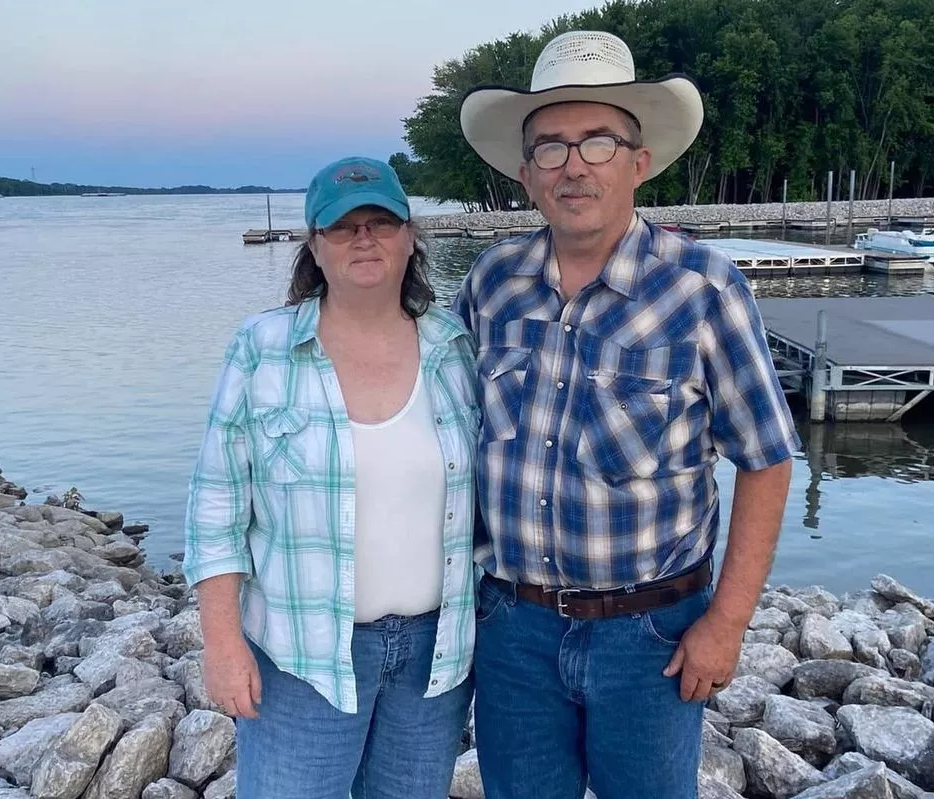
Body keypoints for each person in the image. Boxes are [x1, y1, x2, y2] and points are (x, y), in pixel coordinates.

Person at [452, 31, 800, 799]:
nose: (574, 165)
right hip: (513, 628)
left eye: (597, 142)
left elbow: (768, 457)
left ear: (638, 163)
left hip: (651, 635)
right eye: (550, 147)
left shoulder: (704, 288)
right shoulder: (491, 284)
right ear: (525, 173)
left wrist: (728, 622)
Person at [182, 156, 479, 799]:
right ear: (315, 246)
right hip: (301, 654)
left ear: (410, 236)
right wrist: (223, 645)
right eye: (344, 228)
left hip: (435, 658)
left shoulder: (454, 346)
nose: (364, 239)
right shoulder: (261, 348)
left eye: (380, 222)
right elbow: (216, 508)